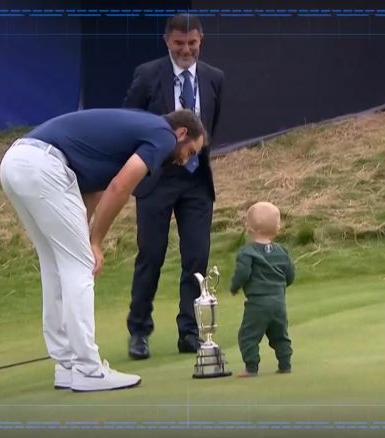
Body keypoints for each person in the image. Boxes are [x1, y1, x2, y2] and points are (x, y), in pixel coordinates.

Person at [0, 108, 205, 392]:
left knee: (56, 265)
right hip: (43, 166)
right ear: (181, 133)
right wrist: (93, 243)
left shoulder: (129, 138)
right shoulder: (163, 135)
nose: (185, 160)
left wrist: (84, 238)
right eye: (190, 151)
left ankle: (67, 365)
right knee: (79, 265)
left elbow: (93, 192)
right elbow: (120, 187)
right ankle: (88, 368)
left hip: (16, 162)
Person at [123, 13, 225, 360]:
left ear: (201, 40)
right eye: (179, 43)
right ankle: (139, 331)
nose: (186, 50)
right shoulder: (147, 75)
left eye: (192, 43)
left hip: (196, 182)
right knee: (150, 256)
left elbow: (211, 126)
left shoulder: (214, 78)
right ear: (167, 40)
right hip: (156, 179)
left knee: (196, 258)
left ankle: (190, 331)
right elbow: (130, 122)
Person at [229, 202, 295, 377]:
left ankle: (251, 367)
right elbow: (290, 274)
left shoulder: (247, 252)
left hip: (257, 303)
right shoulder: (282, 251)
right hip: (279, 302)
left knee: (248, 336)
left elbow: (243, 273)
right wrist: (281, 286)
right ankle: (285, 364)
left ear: (249, 227)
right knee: (280, 335)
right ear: (278, 227)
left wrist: (234, 286)